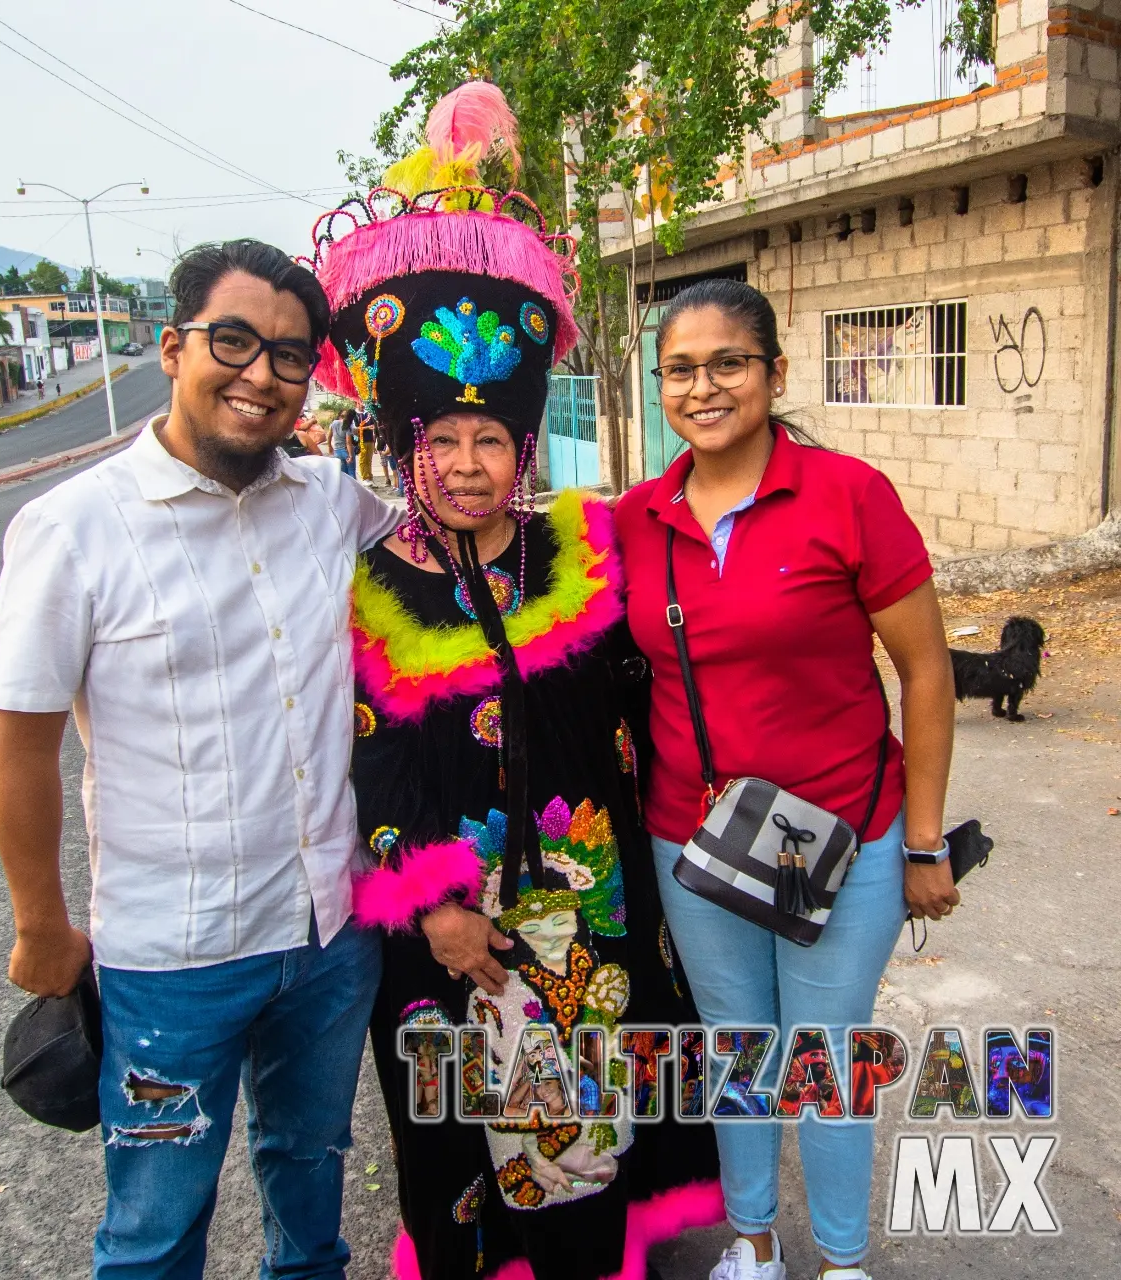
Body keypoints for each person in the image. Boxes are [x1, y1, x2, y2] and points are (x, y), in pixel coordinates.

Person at [306, 80, 722, 1280]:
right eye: (444, 440)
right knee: (461, 1120)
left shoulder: (582, 549)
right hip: (450, 918)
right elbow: (369, 756)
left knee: (594, 1117)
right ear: (405, 446)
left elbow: (674, 665)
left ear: (523, 443)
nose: (472, 462)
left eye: (493, 438)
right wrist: (433, 896)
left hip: (590, 904)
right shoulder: (373, 580)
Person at [0, 238, 399, 1280]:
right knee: (157, 1224)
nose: (260, 374)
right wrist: (40, 925)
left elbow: (459, 527)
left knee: (310, 1178)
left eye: (291, 355)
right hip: (173, 960)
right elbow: (20, 744)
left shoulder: (327, 501)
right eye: (233, 341)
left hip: (325, 937)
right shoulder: (73, 528)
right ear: (171, 348)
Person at [614, 278, 958, 1280]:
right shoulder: (632, 518)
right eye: (679, 368)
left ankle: (843, 1261)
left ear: (772, 370)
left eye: (727, 362)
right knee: (735, 1043)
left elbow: (925, 670)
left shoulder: (847, 496)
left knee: (822, 1048)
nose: (703, 385)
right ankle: (753, 1244)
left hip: (843, 835)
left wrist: (925, 838)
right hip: (693, 834)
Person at [356, 411, 377, 483]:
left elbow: (374, 424)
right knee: (362, 460)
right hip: (362, 441)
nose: (362, 404)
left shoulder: (369, 414)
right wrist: (367, 427)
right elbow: (355, 428)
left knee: (369, 460)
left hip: (370, 440)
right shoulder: (356, 415)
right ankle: (364, 478)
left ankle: (370, 477)